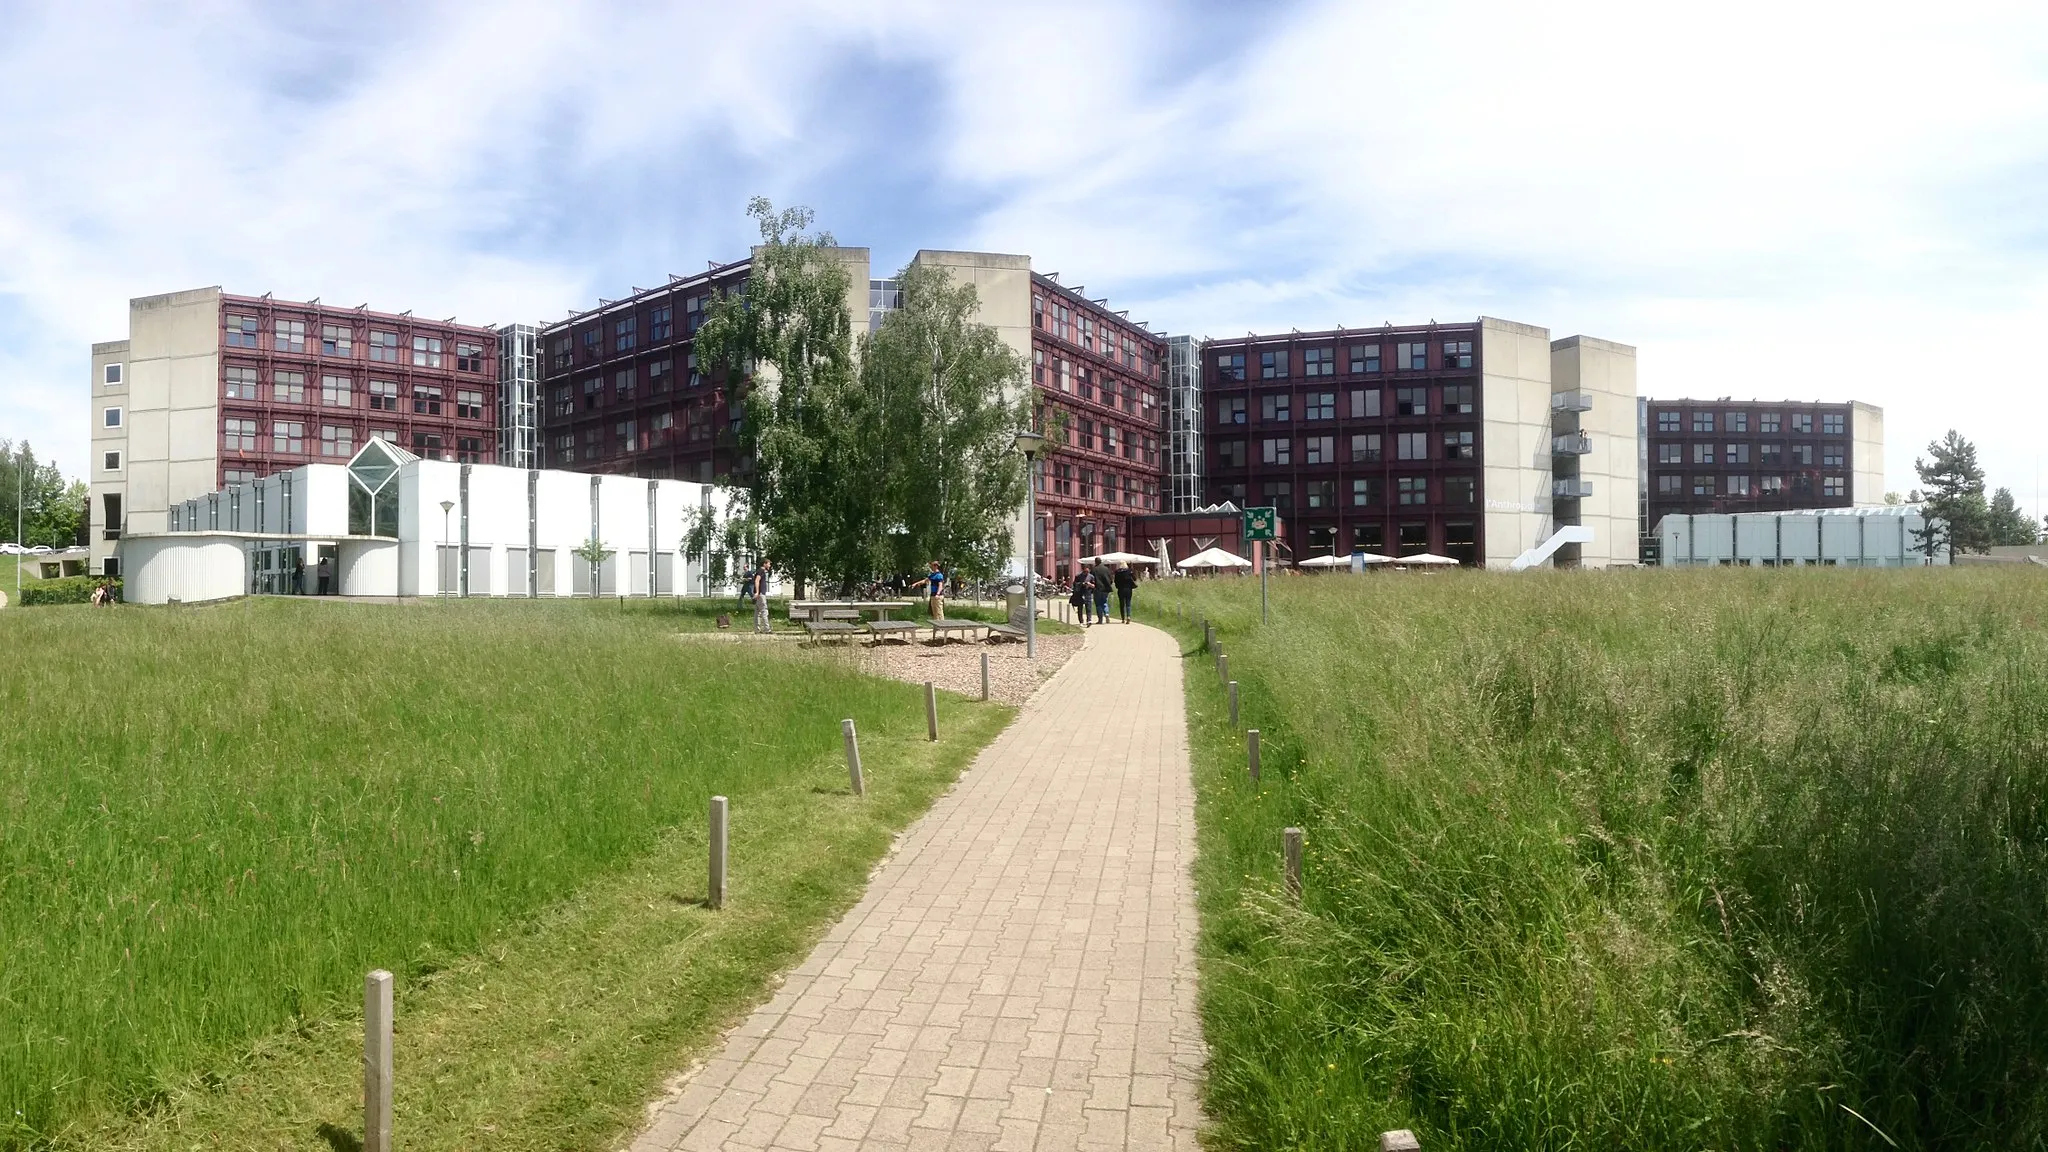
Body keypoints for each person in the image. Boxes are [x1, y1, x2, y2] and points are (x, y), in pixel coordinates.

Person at [746, 559, 772, 634]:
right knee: (764, 611)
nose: (769, 565)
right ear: (764, 564)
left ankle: (757, 629)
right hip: (760, 594)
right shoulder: (761, 571)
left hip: (759, 594)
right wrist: (757, 592)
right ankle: (767, 629)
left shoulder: (761, 571)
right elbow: (757, 581)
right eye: (768, 564)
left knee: (757, 612)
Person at [1091, 558, 1113, 625]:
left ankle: (1100, 619)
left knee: (1098, 604)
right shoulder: (1106, 569)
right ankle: (1106, 613)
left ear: (1095, 562)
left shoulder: (1094, 569)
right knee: (1104, 602)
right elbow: (1111, 578)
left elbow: (1091, 579)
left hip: (1097, 588)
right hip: (1106, 589)